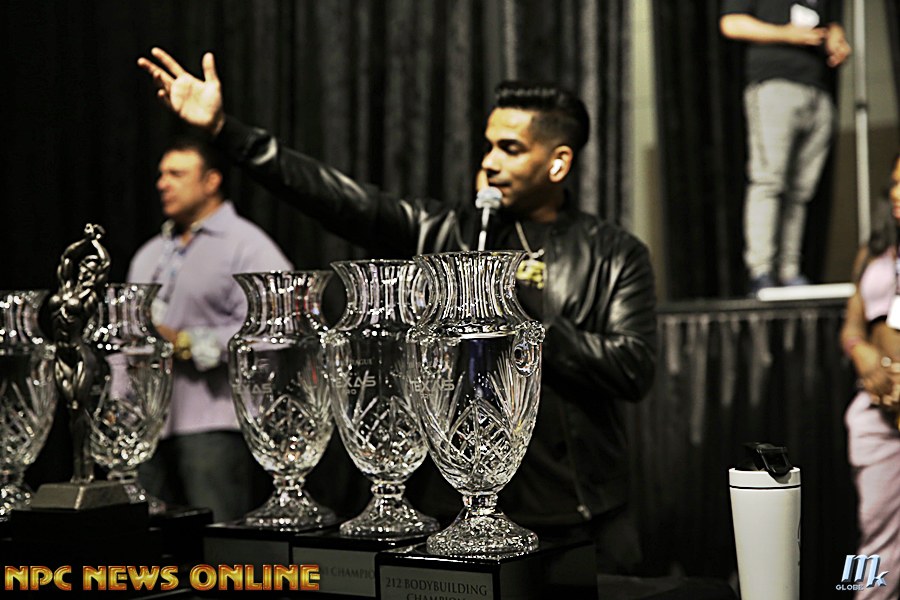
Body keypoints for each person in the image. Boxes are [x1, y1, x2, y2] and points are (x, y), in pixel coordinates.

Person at [137, 48, 657, 574]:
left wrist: (515, 317)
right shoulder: (448, 233)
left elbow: (633, 366)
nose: (489, 162)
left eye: (510, 148)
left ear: (558, 162)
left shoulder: (613, 253)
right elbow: (343, 200)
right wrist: (226, 132)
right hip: (452, 515)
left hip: (580, 517)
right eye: (487, 146)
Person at [127, 135, 293, 522]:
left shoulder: (246, 246)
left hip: (213, 422)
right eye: (161, 174)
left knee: (217, 535)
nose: (163, 183)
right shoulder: (149, 253)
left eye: (177, 174)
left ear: (211, 181)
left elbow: (279, 327)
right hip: (146, 426)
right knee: (146, 538)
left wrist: (190, 342)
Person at [720, 0, 851, 294]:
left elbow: (827, 24)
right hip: (774, 85)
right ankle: (761, 271)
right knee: (769, 181)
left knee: (801, 191)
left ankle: (789, 272)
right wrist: (785, 34)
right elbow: (731, 23)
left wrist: (836, 35)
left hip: (817, 89)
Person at [840, 153, 900, 599]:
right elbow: (851, 325)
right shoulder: (876, 248)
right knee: (874, 534)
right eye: (894, 182)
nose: (896, 192)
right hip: (878, 417)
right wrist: (861, 353)